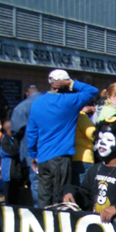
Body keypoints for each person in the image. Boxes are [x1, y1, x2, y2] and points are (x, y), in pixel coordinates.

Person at [26, 69, 98, 208]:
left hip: (43, 157)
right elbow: (92, 90)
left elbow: (32, 131)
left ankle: (42, 223)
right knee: (60, 197)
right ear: (63, 83)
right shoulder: (69, 102)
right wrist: (71, 83)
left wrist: (33, 154)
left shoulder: (37, 102)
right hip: (61, 157)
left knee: (44, 196)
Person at [9, 84, 43, 207]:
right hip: (53, 151)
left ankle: (39, 211)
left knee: (35, 182)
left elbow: (16, 131)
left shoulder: (21, 107)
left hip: (32, 152)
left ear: (27, 93)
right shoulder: (49, 104)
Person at [72, 104, 97, 186]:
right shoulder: (80, 116)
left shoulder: (67, 116)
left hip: (69, 157)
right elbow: (92, 134)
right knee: (84, 191)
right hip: (84, 158)